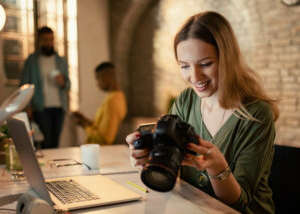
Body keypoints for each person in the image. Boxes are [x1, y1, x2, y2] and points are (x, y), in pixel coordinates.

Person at [126, 11, 279, 214]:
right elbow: (170, 164)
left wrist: (217, 169)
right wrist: (148, 159)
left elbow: (239, 202)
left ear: (227, 59)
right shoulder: (185, 101)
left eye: (205, 64)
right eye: (184, 66)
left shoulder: (257, 114)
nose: (194, 76)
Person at [20, 26, 70, 149]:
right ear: (40, 41)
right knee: (45, 142)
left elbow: (68, 85)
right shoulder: (31, 61)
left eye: (51, 39)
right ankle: (46, 167)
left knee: (55, 142)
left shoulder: (61, 61)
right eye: (46, 39)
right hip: (41, 107)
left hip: (59, 107)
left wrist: (63, 82)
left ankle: (55, 167)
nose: (49, 42)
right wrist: (27, 107)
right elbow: (24, 86)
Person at [73, 62, 127, 145]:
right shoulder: (117, 97)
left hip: (99, 151)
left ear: (108, 76)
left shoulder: (112, 101)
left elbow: (105, 139)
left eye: (98, 78)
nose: (97, 84)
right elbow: (102, 127)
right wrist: (86, 121)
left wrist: (85, 126)